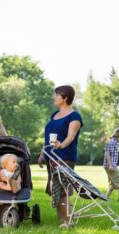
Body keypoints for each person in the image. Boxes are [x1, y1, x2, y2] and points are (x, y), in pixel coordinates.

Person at [37, 85, 83, 226]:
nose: (54, 97)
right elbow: (47, 138)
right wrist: (42, 154)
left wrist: (61, 145)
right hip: (51, 157)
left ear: (65, 98)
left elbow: (71, 136)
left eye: (57, 95)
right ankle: (61, 219)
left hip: (65, 157)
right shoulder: (54, 115)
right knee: (55, 188)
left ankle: (67, 220)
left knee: (63, 188)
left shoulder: (74, 116)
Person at [103, 127, 119, 201]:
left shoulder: (114, 143)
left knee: (113, 184)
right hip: (110, 166)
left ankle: (105, 198)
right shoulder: (112, 142)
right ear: (118, 136)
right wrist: (110, 165)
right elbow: (107, 154)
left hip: (111, 165)